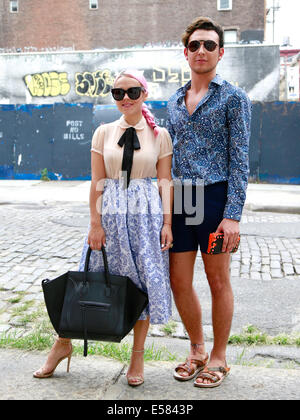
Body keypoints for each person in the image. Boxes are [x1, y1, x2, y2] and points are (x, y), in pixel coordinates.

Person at [33, 69, 173, 386]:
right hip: (108, 214)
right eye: (118, 93)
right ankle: (63, 343)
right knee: (87, 277)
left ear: (145, 94)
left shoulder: (159, 135)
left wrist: (167, 223)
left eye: (132, 92)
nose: (125, 98)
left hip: (145, 217)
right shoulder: (103, 132)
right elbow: (97, 181)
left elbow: (165, 182)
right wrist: (95, 223)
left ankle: (137, 359)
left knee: (143, 285)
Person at [167, 17, 251, 388]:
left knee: (218, 280)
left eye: (210, 45)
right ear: (186, 52)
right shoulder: (172, 100)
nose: (202, 51)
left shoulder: (234, 98)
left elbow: (241, 159)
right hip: (183, 196)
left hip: (216, 197)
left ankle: (219, 357)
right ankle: (197, 349)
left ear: (221, 52)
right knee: (178, 280)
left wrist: (232, 215)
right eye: (196, 45)